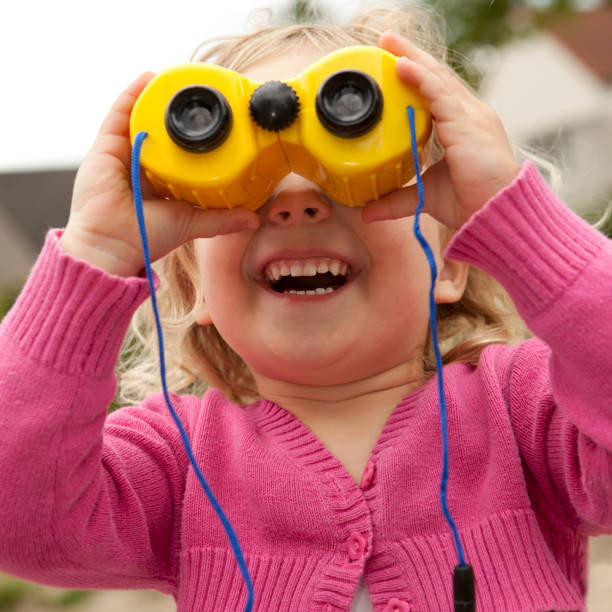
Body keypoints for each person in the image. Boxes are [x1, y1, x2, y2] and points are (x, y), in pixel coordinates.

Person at [0, 3, 610, 611]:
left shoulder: (525, 418)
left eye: (351, 184)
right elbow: (17, 515)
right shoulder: (177, 465)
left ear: (450, 261)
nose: (296, 206)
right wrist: (96, 252)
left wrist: (515, 216)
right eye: (252, 193)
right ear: (195, 290)